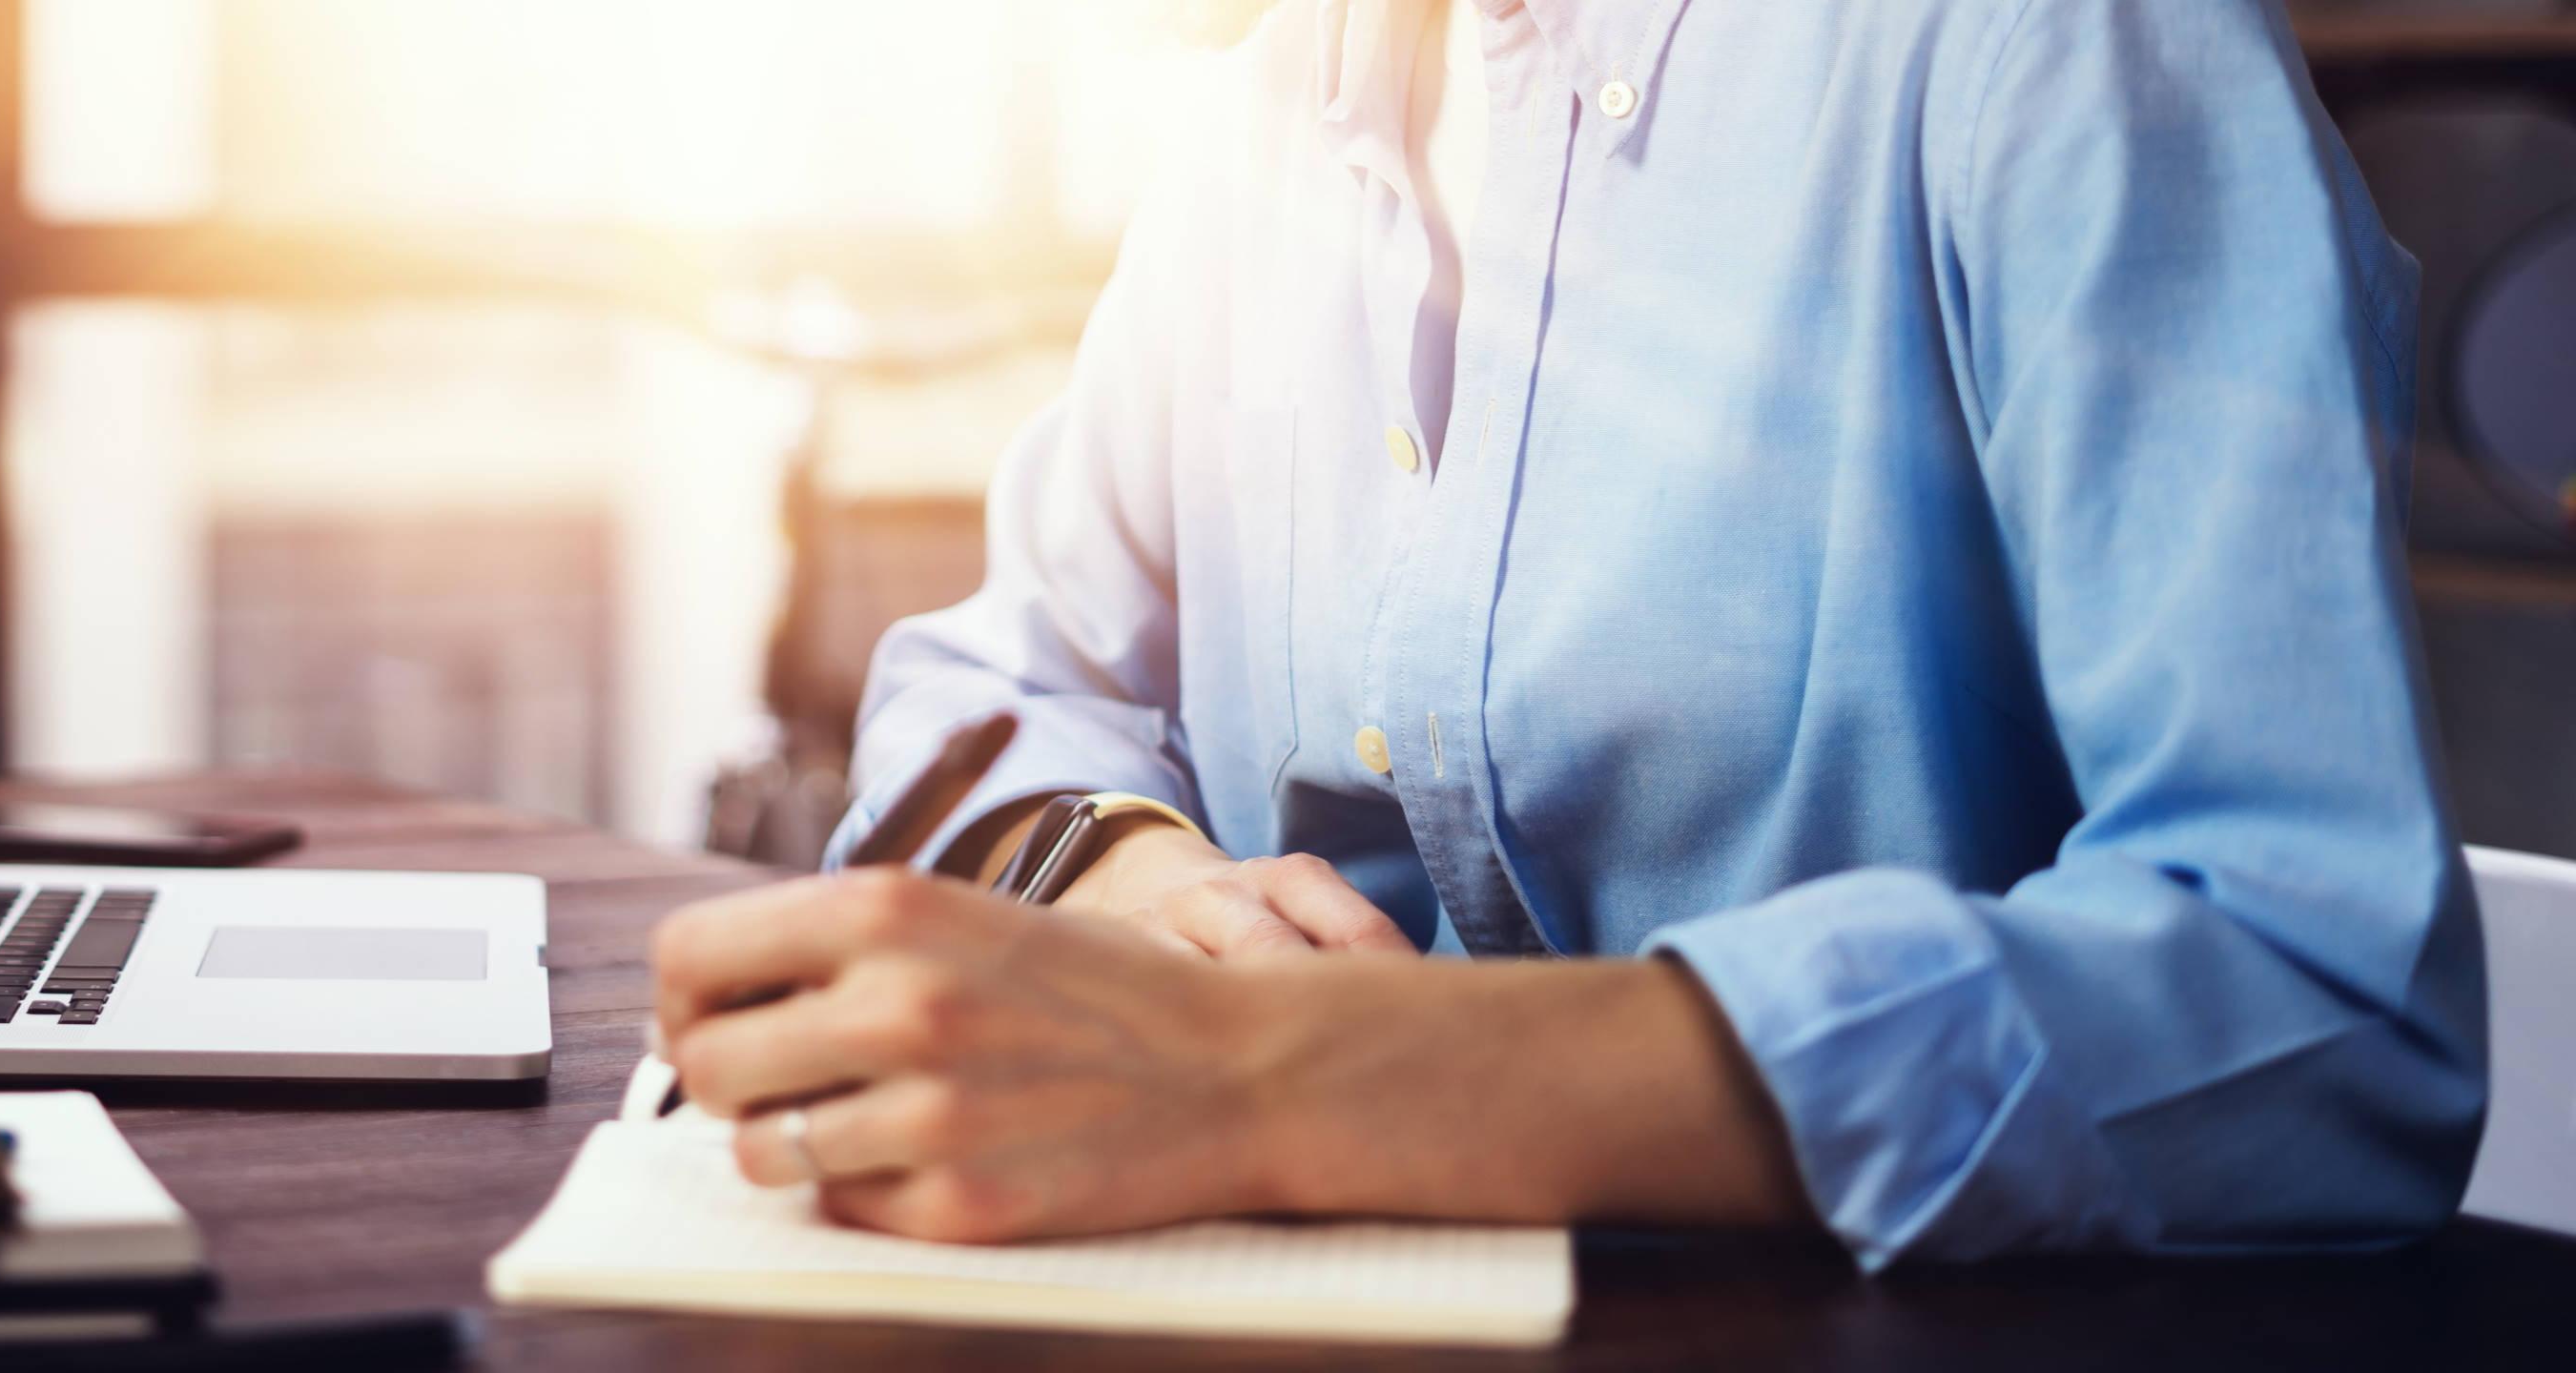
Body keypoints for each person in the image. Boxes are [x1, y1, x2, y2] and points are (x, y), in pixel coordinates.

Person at [649, 0, 2488, 1271]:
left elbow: (2320, 1004)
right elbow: (989, 685)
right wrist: (1130, 880)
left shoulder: (2044, 52)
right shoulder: (1269, 111)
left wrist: (1276, 1087)